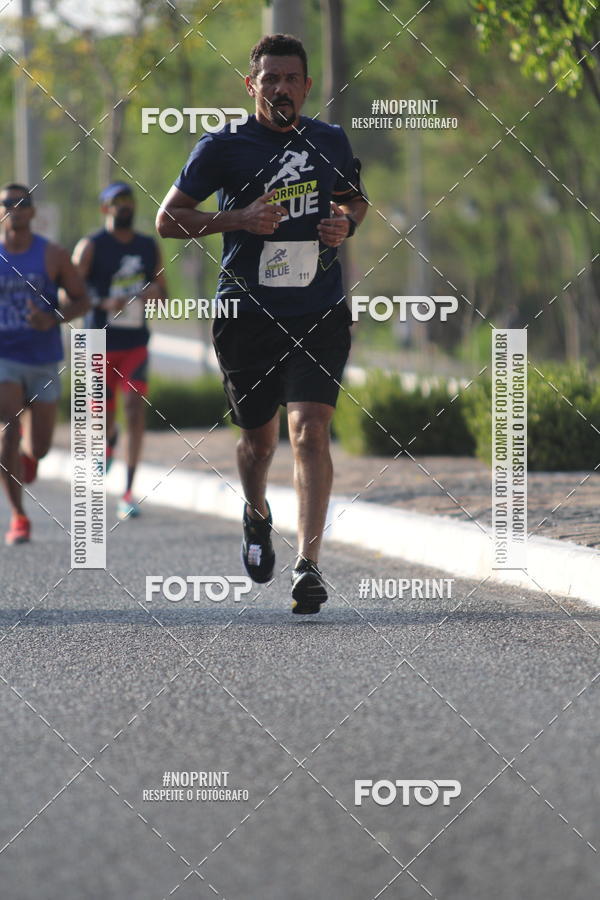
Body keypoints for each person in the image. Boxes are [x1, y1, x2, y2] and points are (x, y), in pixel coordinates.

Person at [157, 33, 368, 615]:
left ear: (305, 85)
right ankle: (256, 513)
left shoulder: (329, 140)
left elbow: (355, 201)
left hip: (318, 309)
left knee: (310, 430)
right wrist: (239, 218)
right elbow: (168, 219)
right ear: (251, 85)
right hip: (246, 314)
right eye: (268, 78)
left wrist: (344, 225)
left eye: (290, 78)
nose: (279, 87)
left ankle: (309, 565)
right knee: (257, 441)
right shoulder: (222, 146)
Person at [0, 183, 89, 544]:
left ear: (32, 212)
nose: (14, 209)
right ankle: (19, 516)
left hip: (44, 357)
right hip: (5, 355)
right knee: (8, 425)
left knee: (40, 447)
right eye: (7, 204)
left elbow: (81, 301)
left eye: (22, 204)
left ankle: (28, 457)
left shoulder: (52, 255)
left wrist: (52, 317)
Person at [73, 182, 167, 520]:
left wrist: (155, 292)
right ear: (105, 209)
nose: (124, 206)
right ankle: (109, 440)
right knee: (103, 416)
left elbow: (163, 291)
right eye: (117, 202)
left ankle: (128, 491)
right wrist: (101, 301)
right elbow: (71, 292)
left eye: (128, 200)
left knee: (134, 407)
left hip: (134, 343)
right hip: (97, 342)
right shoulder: (91, 246)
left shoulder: (147, 246)